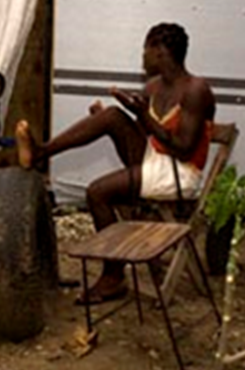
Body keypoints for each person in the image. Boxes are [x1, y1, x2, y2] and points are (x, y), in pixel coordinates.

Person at [15, 22, 216, 304]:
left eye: (145, 50)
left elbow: (183, 150)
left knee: (97, 192)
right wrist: (105, 120)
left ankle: (113, 277)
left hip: (180, 173)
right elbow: (144, 134)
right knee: (110, 116)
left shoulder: (196, 90)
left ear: (159, 52)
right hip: (154, 159)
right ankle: (40, 152)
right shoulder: (153, 87)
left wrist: (143, 116)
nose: (142, 57)